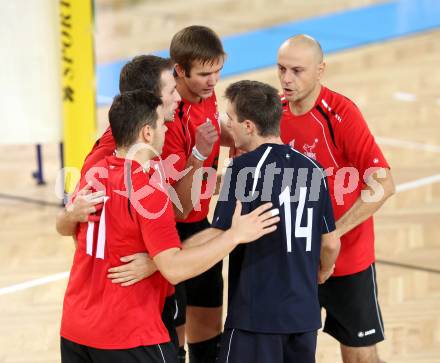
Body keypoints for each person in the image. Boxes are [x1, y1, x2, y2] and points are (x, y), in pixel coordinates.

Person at [60, 89, 279, 363]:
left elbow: (66, 228)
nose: (167, 129)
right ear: (147, 133)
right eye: (163, 124)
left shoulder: (95, 171)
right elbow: (174, 269)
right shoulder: (149, 189)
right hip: (129, 334)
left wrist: (69, 215)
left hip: (75, 330)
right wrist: (235, 235)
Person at [277, 34, 395, 363]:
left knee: (359, 357)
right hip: (295, 261)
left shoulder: (341, 114)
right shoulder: (272, 112)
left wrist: (333, 233)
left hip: (348, 261)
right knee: (292, 354)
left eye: (297, 70)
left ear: (320, 70)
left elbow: (383, 185)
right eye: (281, 69)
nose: (286, 79)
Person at [205, 80, 338, 363]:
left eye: (229, 118)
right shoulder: (314, 169)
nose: (225, 124)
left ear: (249, 126)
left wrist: (169, 255)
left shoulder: (242, 169)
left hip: (256, 318)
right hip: (303, 317)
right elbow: (330, 243)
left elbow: (217, 235)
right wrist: (322, 272)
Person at [161, 25, 233, 363]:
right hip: (170, 236)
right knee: (174, 345)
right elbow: (177, 207)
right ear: (179, 70)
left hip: (201, 224)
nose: (213, 81)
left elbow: (220, 133)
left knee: (210, 339)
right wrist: (201, 157)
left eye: (218, 71)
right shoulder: (168, 119)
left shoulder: (206, 93)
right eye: (205, 73)